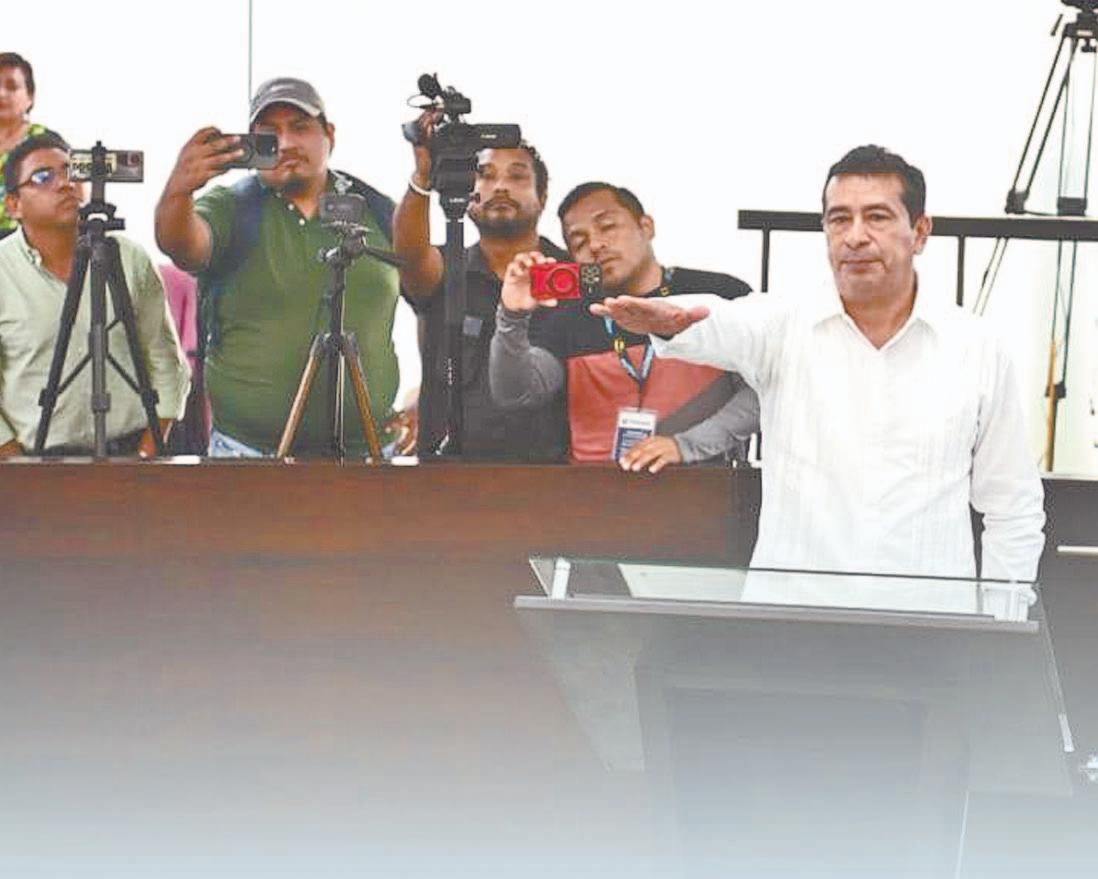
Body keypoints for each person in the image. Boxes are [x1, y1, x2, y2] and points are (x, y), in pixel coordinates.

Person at [591, 145, 1046, 581]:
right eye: (839, 219)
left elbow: (1012, 507)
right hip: (796, 617)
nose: (855, 236)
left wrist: (1001, 614)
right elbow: (716, 321)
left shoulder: (976, 347)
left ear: (921, 232)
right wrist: (668, 322)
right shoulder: (781, 325)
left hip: (928, 620)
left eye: (877, 217)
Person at [155, 77, 404, 458]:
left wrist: (429, 397)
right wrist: (179, 189)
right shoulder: (231, 207)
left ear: (329, 135)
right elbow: (182, 245)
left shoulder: (378, 208)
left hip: (370, 456)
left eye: (300, 128)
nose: (286, 143)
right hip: (246, 454)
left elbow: (430, 293)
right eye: (269, 134)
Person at [489, 182, 759, 470]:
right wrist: (512, 316)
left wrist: (686, 446)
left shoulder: (720, 295)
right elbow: (516, 394)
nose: (595, 244)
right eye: (579, 242)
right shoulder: (567, 317)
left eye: (607, 226)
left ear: (646, 226)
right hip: (591, 490)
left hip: (706, 485)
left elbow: (762, 390)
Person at [0, 133, 190, 457]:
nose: (65, 184)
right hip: (34, 460)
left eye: (72, 171)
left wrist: (146, 454)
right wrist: (16, 463)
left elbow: (166, 362)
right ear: (13, 205)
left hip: (130, 453)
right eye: (43, 177)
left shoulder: (129, 259)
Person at [393, 113, 568, 460]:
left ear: (543, 196)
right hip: (447, 475)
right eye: (485, 175)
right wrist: (423, 177)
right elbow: (409, 256)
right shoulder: (444, 268)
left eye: (517, 176)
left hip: (550, 478)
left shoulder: (569, 275)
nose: (500, 186)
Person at [0, 52, 54, 239]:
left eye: (12, 87)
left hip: (24, 246)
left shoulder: (48, 144)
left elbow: (75, 196)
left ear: (30, 96)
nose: (1, 94)